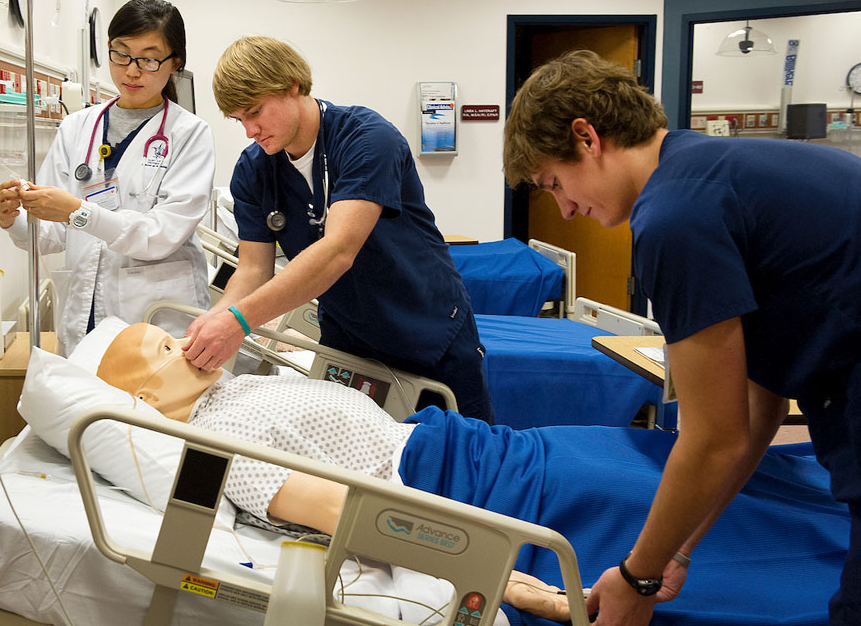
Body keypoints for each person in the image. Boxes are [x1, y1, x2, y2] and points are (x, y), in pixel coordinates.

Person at [96, 322, 851, 626]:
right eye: (162, 349)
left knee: (671, 466)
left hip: (503, 450)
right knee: (687, 517)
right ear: (145, 398)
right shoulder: (223, 448)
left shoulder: (241, 388)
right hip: (490, 494)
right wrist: (517, 585)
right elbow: (354, 515)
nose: (185, 341)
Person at [502, 49, 861, 625]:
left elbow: (714, 438)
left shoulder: (675, 217)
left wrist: (637, 577)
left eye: (554, 183)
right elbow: (757, 409)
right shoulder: (705, 166)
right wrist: (677, 550)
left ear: (587, 138)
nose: (564, 209)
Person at [181, 36, 494, 423]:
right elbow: (252, 269)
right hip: (348, 340)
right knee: (357, 455)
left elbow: (338, 251)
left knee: (459, 454)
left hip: (426, 329)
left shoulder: (367, 139)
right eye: (238, 120)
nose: (250, 131)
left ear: (292, 85)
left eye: (255, 112)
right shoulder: (254, 170)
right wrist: (215, 321)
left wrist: (239, 322)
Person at [0, 0, 213, 356]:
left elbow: (163, 234)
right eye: (121, 54)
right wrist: (13, 218)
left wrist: (77, 211)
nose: (132, 71)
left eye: (149, 59)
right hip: (86, 313)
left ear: (175, 62)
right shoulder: (76, 127)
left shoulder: (189, 134)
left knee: (150, 391)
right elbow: (52, 234)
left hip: (156, 317)